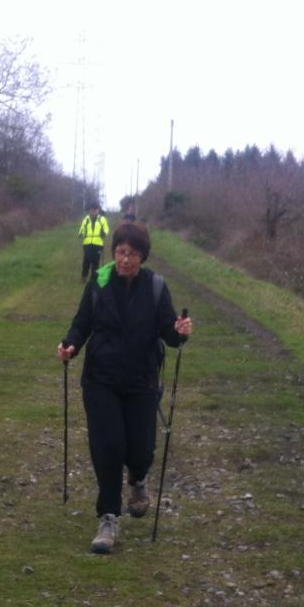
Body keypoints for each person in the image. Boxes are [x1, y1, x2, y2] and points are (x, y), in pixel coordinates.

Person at [58, 222, 192, 554]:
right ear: (113, 252)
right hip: (100, 379)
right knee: (108, 448)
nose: (125, 259)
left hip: (141, 382)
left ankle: (138, 479)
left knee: (140, 451)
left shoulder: (156, 288)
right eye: (120, 252)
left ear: (142, 256)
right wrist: (70, 346)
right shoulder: (99, 282)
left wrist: (181, 331)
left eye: (132, 254)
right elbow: (81, 324)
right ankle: (108, 517)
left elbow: (170, 334)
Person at [78, 202, 110, 282]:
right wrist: (81, 233)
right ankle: (84, 276)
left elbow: (106, 229)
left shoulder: (102, 219)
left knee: (96, 261)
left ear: (98, 210)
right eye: (92, 209)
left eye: (95, 209)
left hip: (98, 243)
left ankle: (94, 278)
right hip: (87, 242)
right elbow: (82, 228)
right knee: (87, 259)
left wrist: (104, 233)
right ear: (89, 210)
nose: (93, 211)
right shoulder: (86, 219)